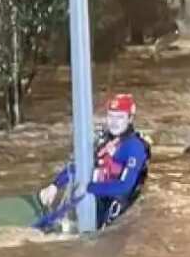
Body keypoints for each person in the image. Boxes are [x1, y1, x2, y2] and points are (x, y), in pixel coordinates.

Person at [39, 93, 151, 229]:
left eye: (120, 117)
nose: (114, 122)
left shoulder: (134, 147)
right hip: (96, 194)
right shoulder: (103, 140)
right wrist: (55, 186)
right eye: (111, 116)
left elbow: (125, 186)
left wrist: (88, 188)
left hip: (117, 201)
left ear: (130, 118)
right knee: (48, 224)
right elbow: (79, 166)